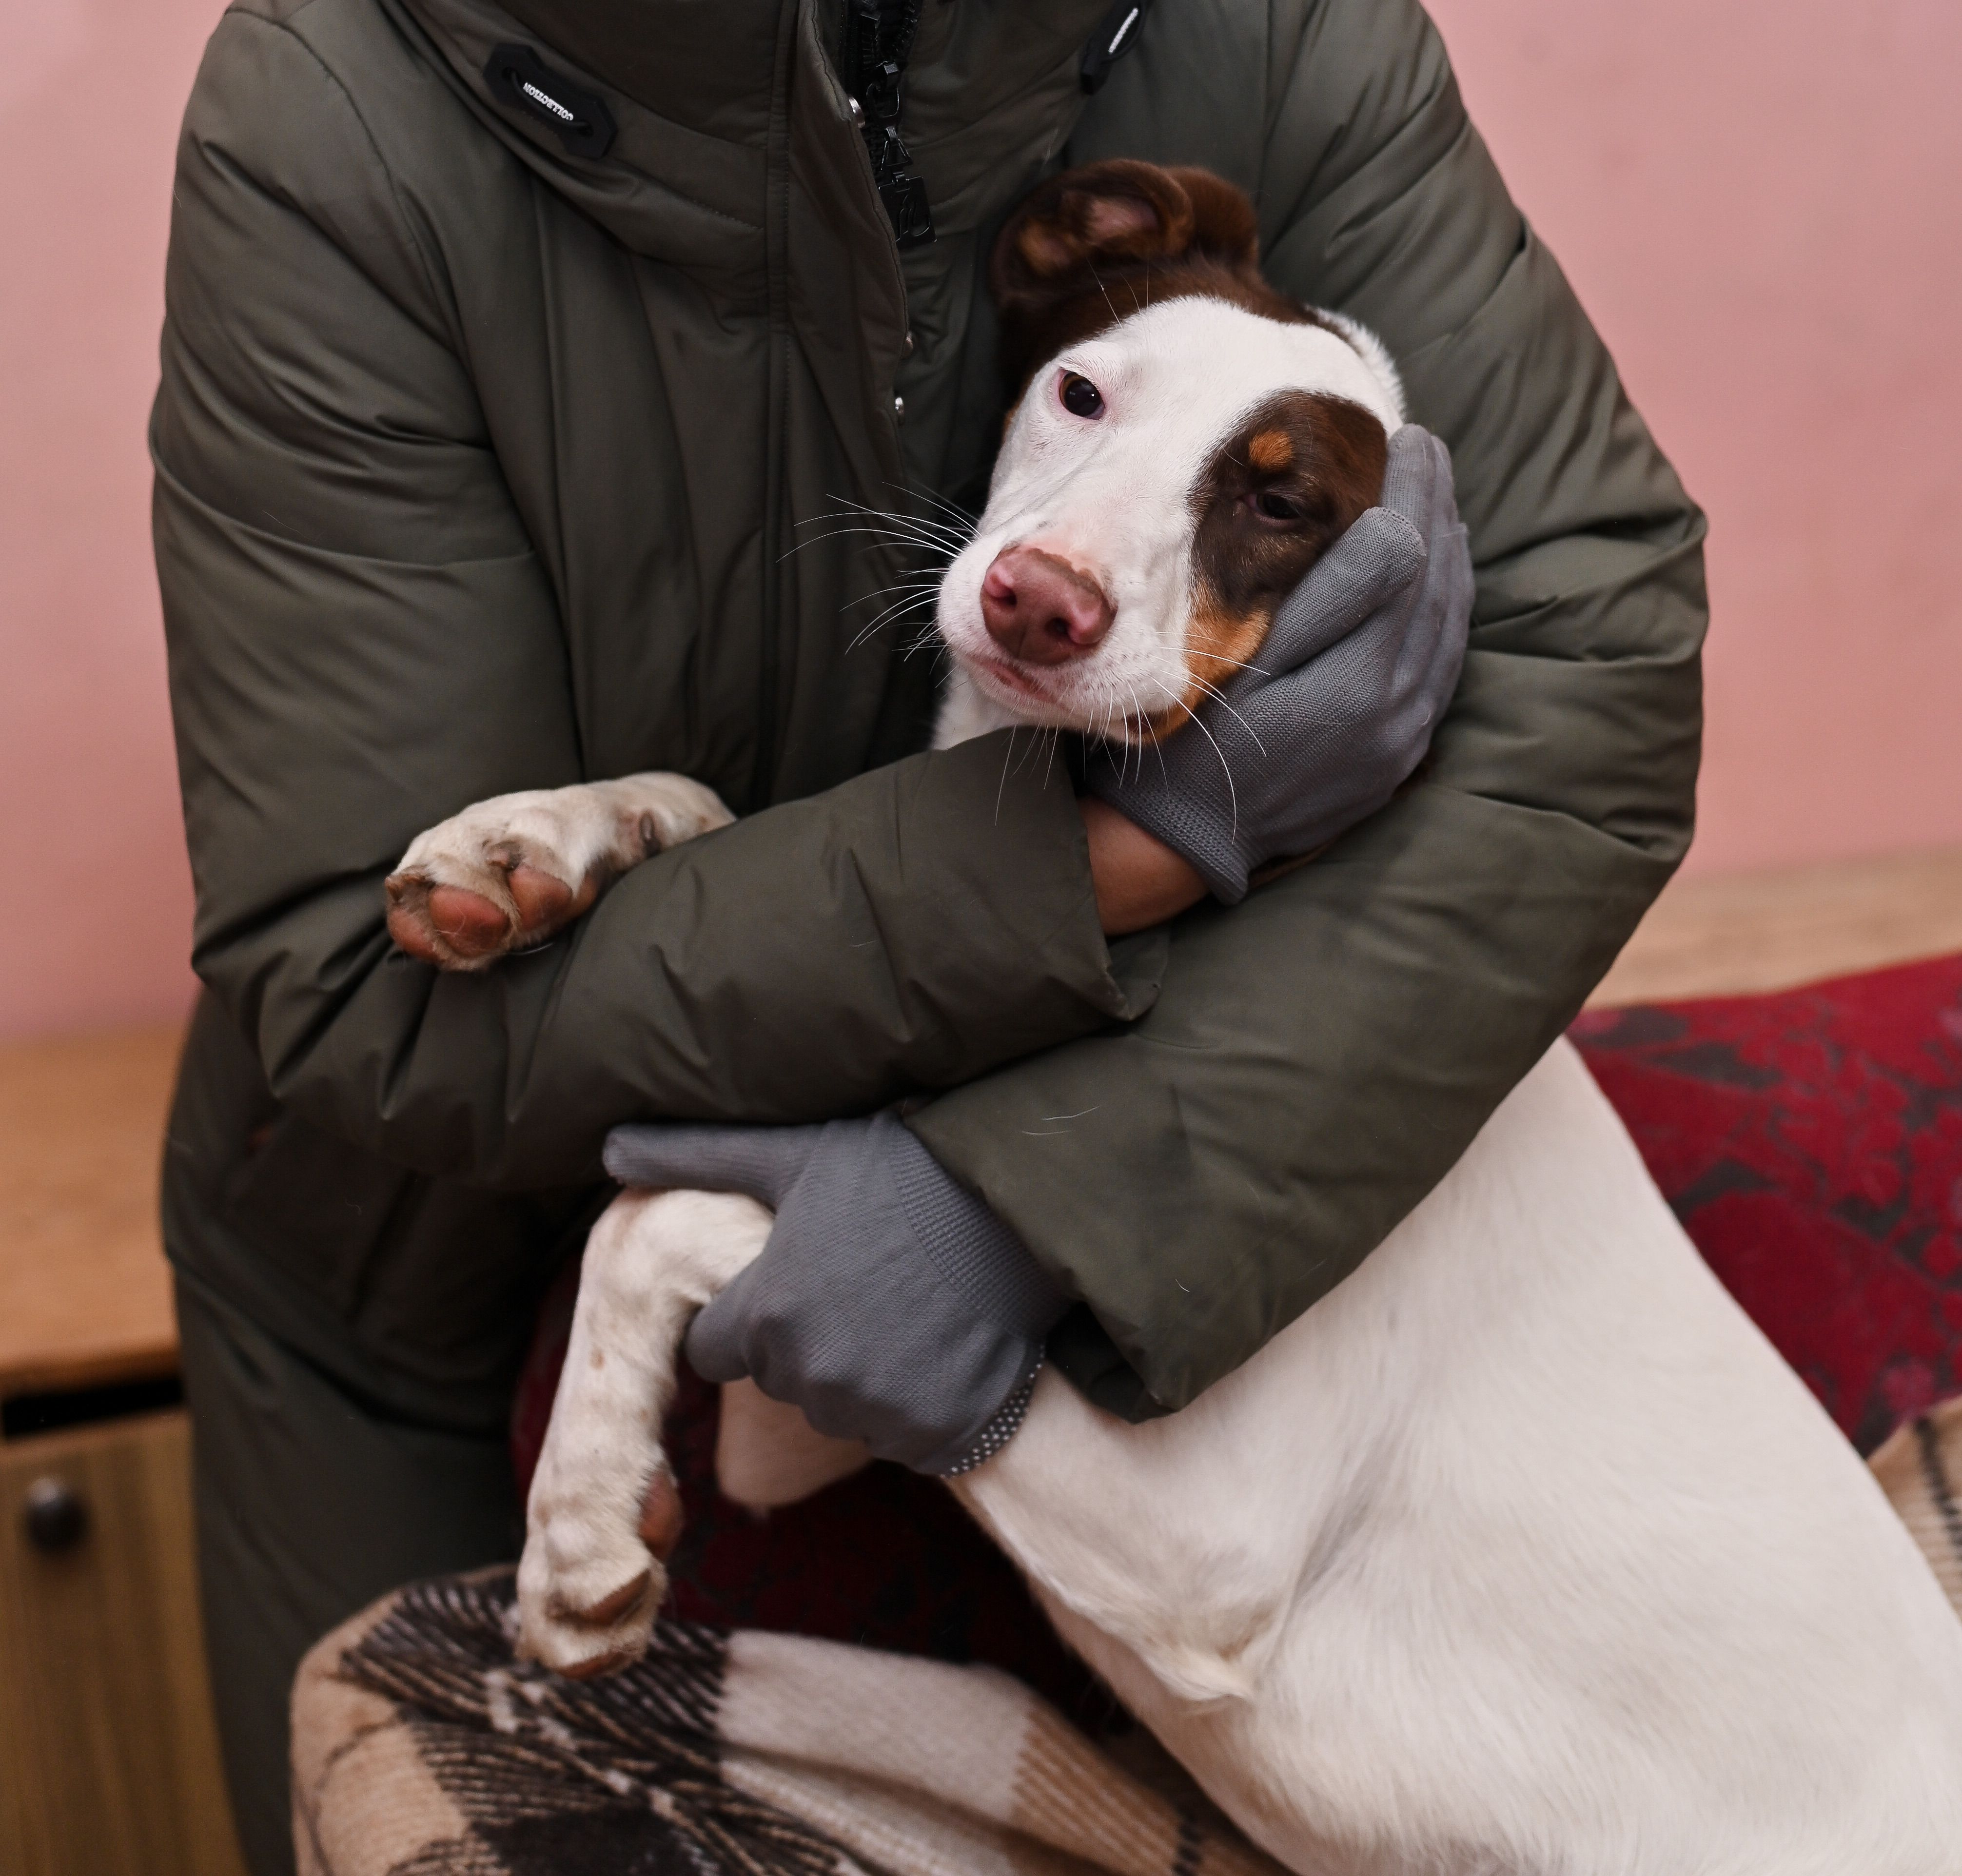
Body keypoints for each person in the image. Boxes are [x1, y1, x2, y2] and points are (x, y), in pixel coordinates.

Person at [152, 1, 1705, 1870]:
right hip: (414, 1275)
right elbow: (366, 989)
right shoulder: (334, 107)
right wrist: (1122, 861)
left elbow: (1585, 660)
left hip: (1038, 1106)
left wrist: (1028, 1190)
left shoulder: (1268, 33)